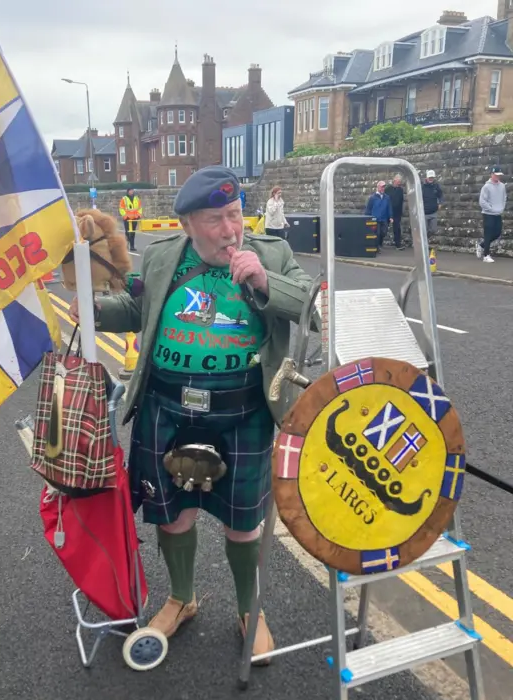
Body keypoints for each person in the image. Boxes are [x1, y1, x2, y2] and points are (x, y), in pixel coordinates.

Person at [69, 166, 316, 661]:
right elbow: (134, 308)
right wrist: (90, 309)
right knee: (171, 514)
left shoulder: (273, 253)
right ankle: (182, 598)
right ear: (187, 224)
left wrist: (266, 283)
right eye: (214, 219)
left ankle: (251, 608)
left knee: (243, 522)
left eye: (233, 214)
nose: (230, 228)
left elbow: (311, 305)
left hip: (244, 411)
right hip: (166, 406)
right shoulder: (162, 257)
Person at [476, 166, 507, 264]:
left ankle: (481, 245)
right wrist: (491, 208)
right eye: (496, 175)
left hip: (498, 213)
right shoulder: (486, 187)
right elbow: (482, 202)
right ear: (492, 174)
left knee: (497, 233)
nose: (498, 177)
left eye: (499, 175)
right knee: (488, 234)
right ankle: (486, 255)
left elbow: (504, 197)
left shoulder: (502, 186)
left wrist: (502, 207)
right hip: (488, 214)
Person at [365, 180, 392, 252]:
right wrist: (367, 217)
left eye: (384, 187)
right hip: (375, 219)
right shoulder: (372, 198)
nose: (383, 188)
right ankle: (377, 247)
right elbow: (368, 208)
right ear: (378, 187)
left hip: (384, 218)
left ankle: (380, 244)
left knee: (384, 232)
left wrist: (391, 216)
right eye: (382, 187)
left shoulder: (387, 197)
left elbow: (389, 207)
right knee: (377, 233)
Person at [421, 169, 443, 237]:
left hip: (433, 212)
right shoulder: (422, 186)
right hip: (424, 212)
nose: (431, 179)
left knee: (433, 230)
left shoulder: (436, 186)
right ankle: (424, 244)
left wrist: (440, 203)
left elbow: (440, 195)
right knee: (424, 230)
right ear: (427, 177)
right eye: (430, 177)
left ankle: (426, 241)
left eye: (432, 178)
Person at [385, 174, 405, 250]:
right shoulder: (388, 189)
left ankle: (398, 245)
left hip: (397, 213)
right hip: (388, 212)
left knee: (397, 229)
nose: (399, 183)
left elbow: (401, 201)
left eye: (400, 181)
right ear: (394, 180)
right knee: (384, 228)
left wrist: (400, 212)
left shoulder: (400, 190)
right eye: (398, 181)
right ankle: (379, 243)